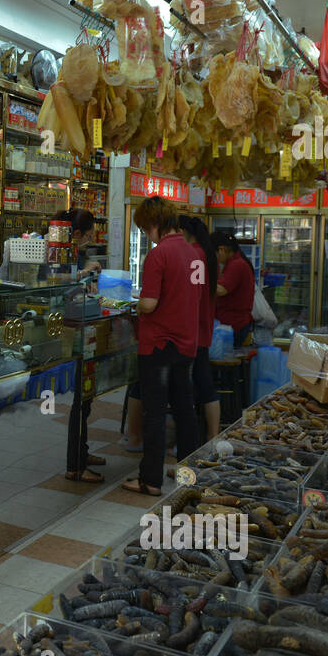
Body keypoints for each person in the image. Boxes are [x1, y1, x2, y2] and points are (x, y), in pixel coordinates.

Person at [123, 197, 200, 495]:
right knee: (184, 409)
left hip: (159, 345)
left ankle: (150, 480)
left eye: (145, 228)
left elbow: (150, 303)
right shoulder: (194, 254)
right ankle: (188, 475)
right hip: (187, 343)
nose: (145, 234)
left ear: (153, 224)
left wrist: (138, 307)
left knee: (154, 412)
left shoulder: (158, 255)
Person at [63, 209, 105, 482]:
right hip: (67, 330)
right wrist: (82, 274)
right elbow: (54, 282)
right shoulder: (55, 249)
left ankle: (83, 449)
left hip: (80, 324)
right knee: (80, 397)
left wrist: (87, 282)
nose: (89, 240)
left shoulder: (74, 250)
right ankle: (75, 465)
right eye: (88, 235)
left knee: (86, 395)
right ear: (77, 233)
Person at [180, 215, 221, 440]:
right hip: (203, 324)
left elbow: (193, 294)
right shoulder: (206, 253)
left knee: (200, 383)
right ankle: (211, 436)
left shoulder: (195, 254)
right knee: (203, 379)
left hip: (194, 327)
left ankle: (209, 437)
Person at [213, 230, 256, 346]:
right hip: (234, 323)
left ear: (221, 250)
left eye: (214, 255)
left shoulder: (236, 265)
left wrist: (200, 282)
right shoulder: (236, 262)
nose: (215, 259)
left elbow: (221, 290)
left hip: (234, 325)